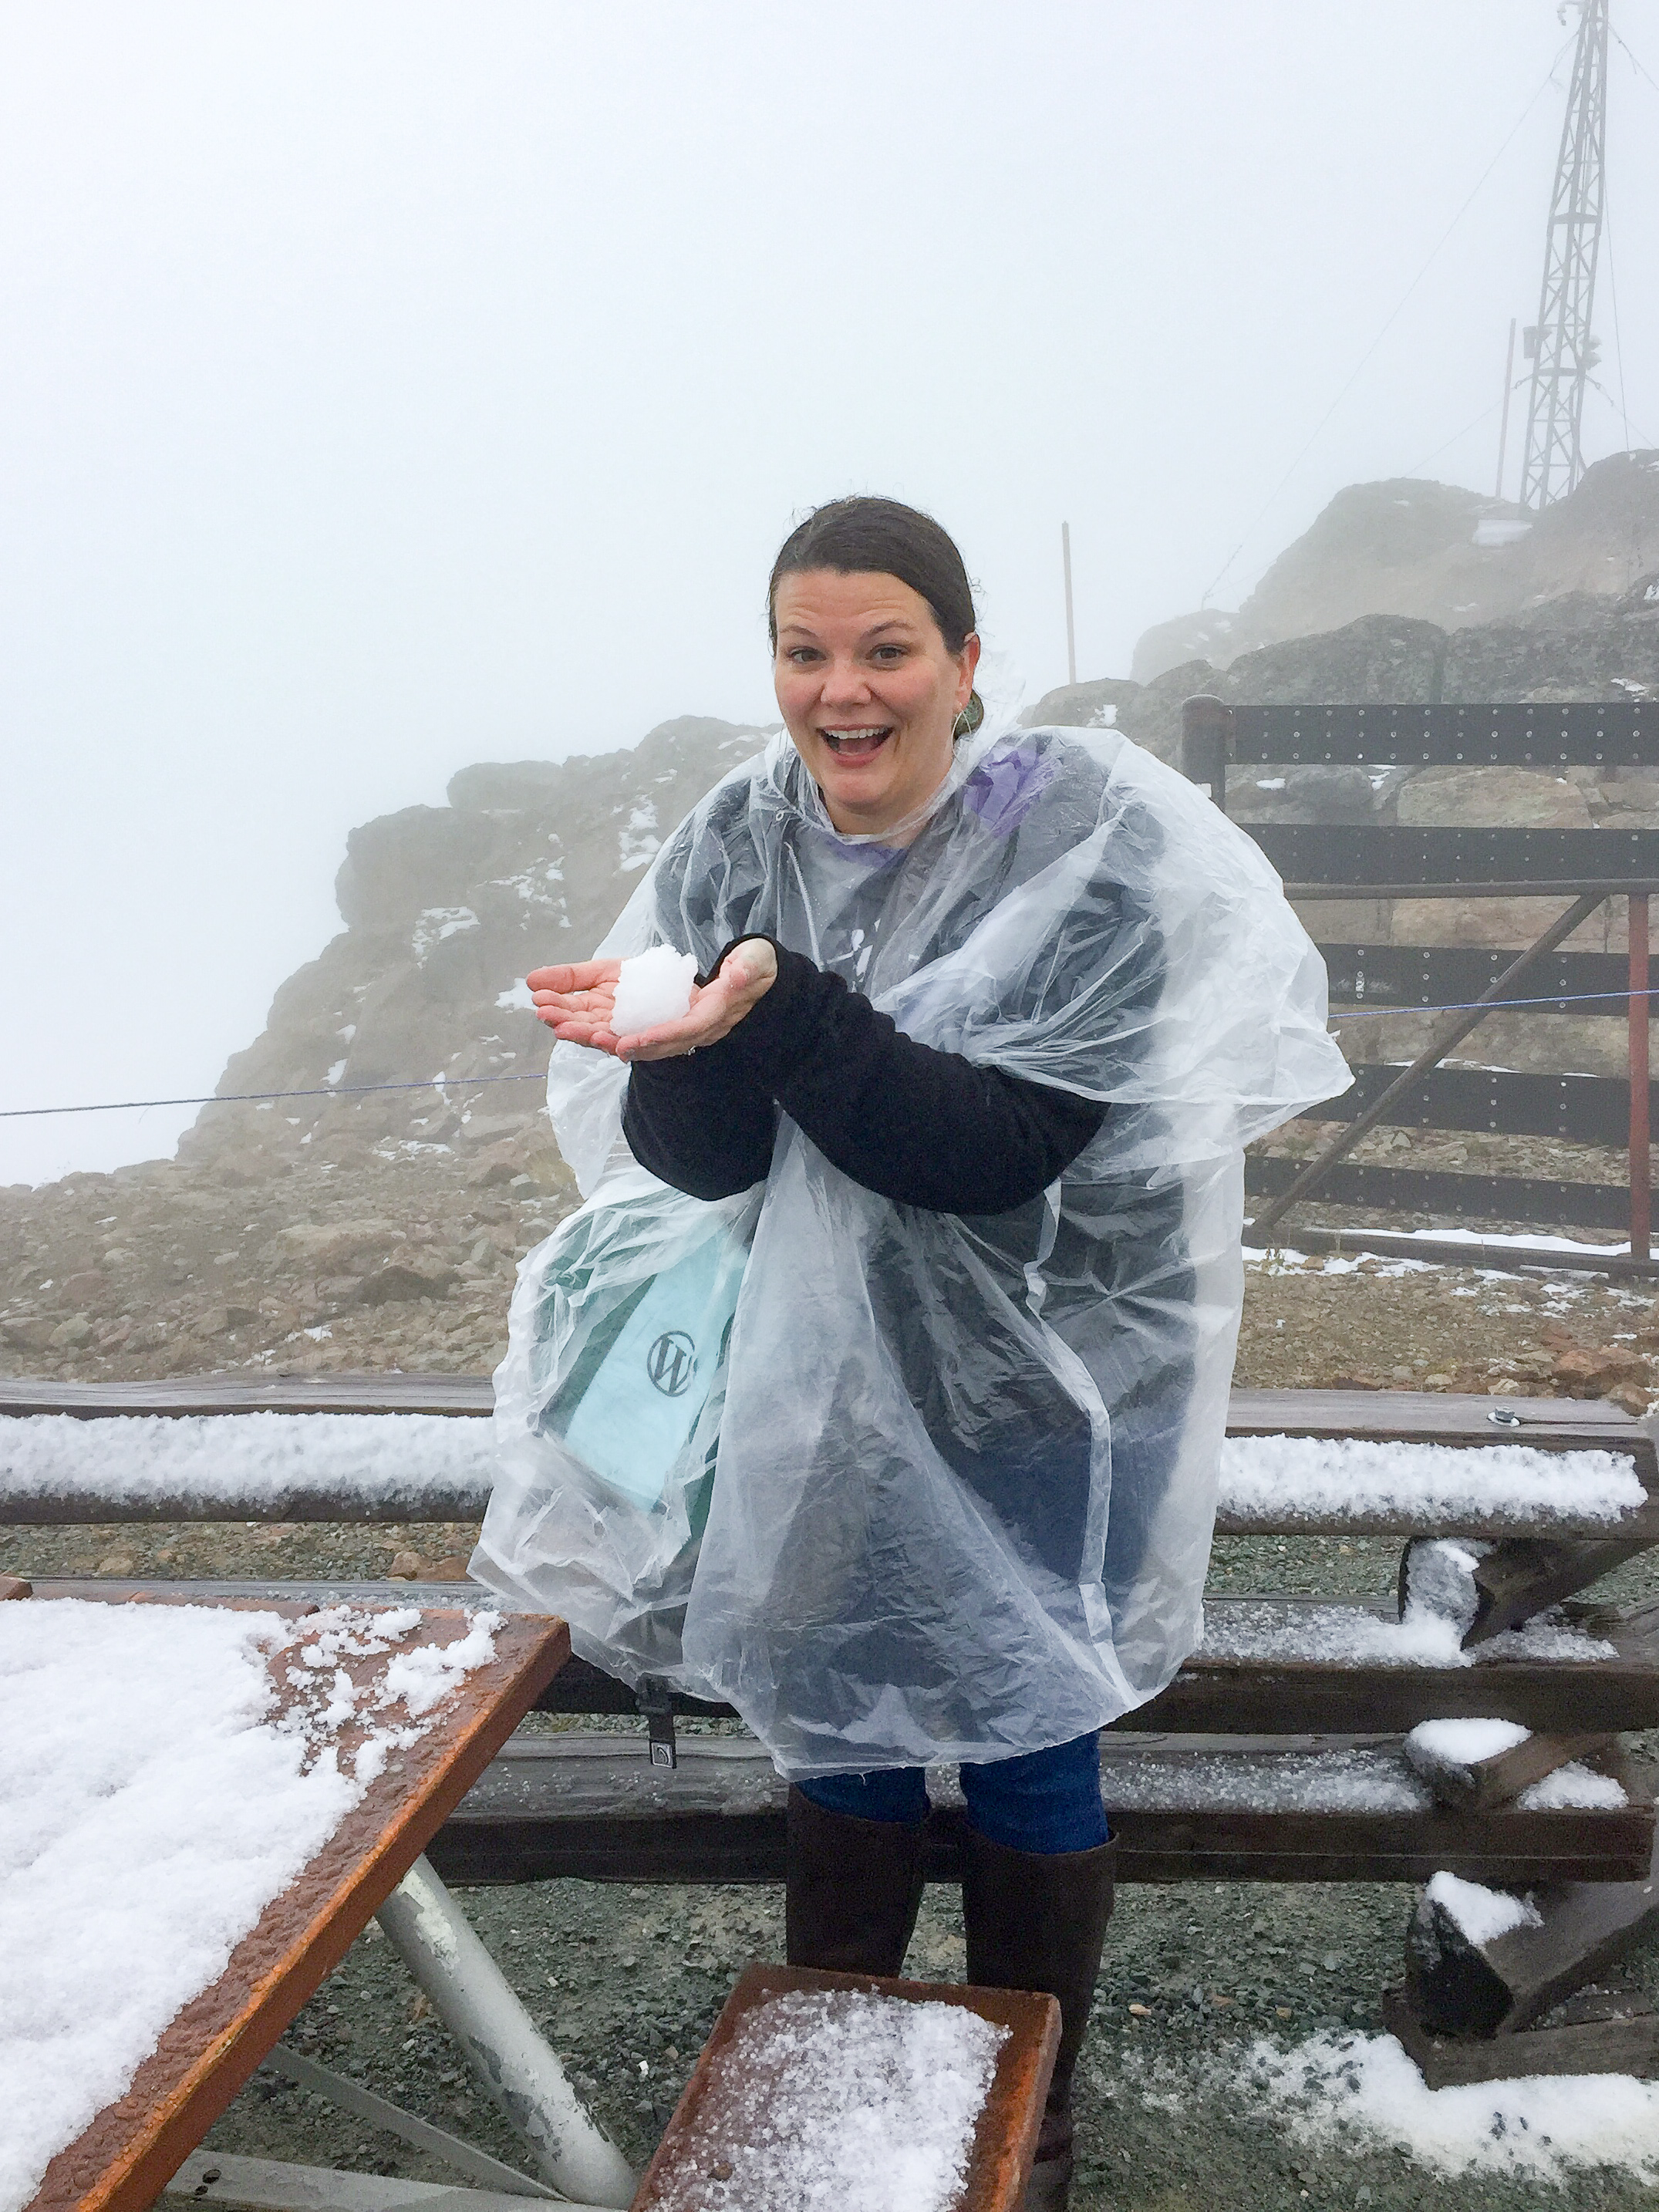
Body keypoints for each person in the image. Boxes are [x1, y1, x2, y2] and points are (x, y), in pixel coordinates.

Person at [474, 497, 1349, 2208]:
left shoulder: (1083, 843)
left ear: (962, 662)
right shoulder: (740, 838)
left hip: (1063, 1376)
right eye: (804, 653)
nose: (842, 690)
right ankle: (831, 2075)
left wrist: (781, 1008)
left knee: (1029, 1737)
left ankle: (1032, 2105)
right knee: (839, 1727)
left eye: (885, 650)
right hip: (817, 1380)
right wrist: (682, 1050)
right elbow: (709, 1166)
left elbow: (999, 1149)